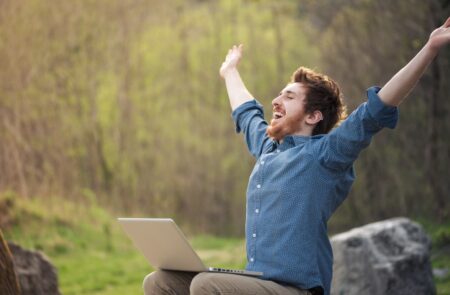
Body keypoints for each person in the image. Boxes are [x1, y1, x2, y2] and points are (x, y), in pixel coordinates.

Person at [142, 17, 450, 295]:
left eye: (288, 97)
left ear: (313, 116)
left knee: (206, 285)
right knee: (159, 281)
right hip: (259, 281)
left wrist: (430, 48)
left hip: (296, 290)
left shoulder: (326, 155)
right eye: (279, 94)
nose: (276, 100)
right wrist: (229, 72)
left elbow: (375, 110)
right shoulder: (267, 148)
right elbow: (246, 110)